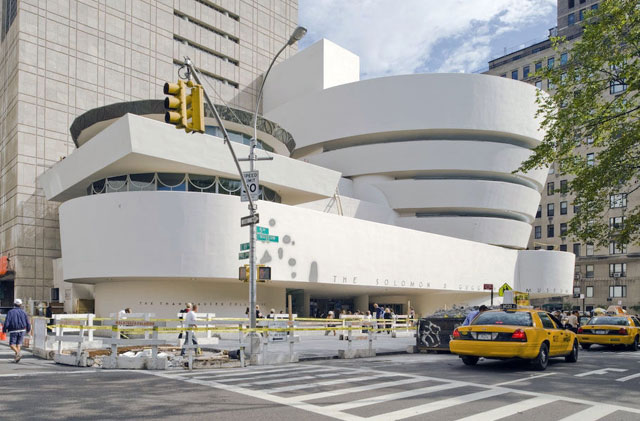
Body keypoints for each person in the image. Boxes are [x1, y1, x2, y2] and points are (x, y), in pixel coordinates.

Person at [3, 299, 31, 363]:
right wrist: (28, 329)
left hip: (13, 330)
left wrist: (4, 329)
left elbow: (7, 321)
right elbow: (28, 322)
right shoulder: (24, 312)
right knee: (18, 344)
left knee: (12, 344)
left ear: (14, 304)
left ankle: (18, 353)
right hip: (22, 330)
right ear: (21, 305)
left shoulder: (10, 312)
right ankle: (17, 358)